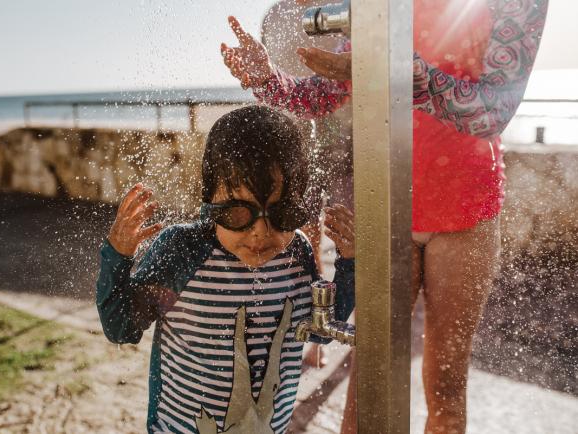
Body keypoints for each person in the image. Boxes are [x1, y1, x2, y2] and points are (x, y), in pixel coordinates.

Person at [219, 1, 548, 433]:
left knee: (447, 392)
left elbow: (493, 112)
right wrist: (267, 79)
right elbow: (326, 94)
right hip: (384, 207)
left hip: (467, 210)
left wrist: (389, 67)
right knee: (368, 388)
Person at [96, 106, 356, 433]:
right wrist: (117, 256)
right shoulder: (183, 251)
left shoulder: (296, 252)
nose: (261, 232)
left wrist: (350, 265)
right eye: (238, 213)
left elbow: (319, 330)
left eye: (282, 213)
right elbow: (121, 328)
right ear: (210, 198)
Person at [261, 0, 354, 369]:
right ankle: (315, 330)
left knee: (350, 236)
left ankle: (348, 317)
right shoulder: (273, 16)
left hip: (351, 139)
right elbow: (271, 82)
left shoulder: (346, 8)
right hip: (298, 141)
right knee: (306, 239)